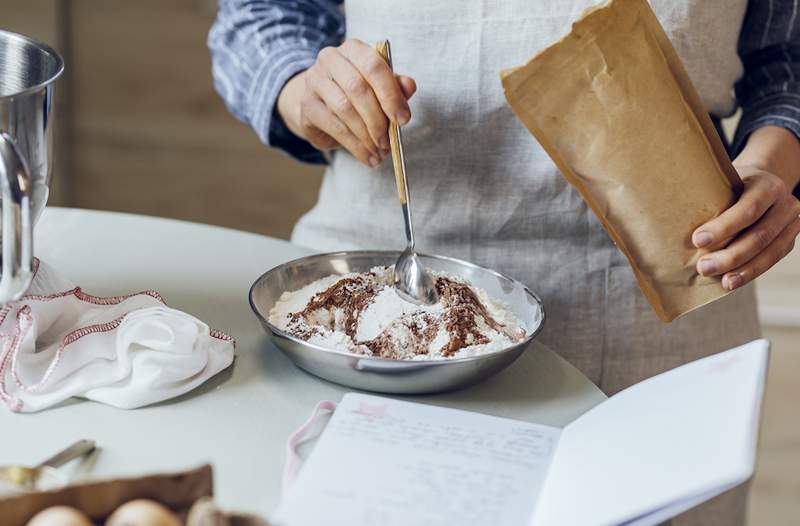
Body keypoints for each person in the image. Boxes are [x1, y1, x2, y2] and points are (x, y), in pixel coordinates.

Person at [209, 1, 800, 523]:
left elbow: (787, 61)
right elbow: (263, 15)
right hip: (360, 315)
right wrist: (303, 90)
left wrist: (774, 164)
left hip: (661, 316)